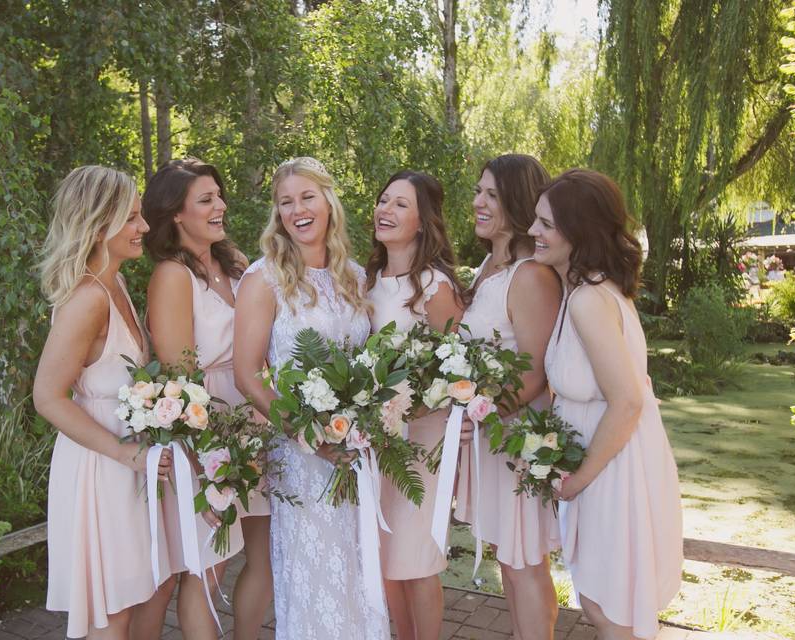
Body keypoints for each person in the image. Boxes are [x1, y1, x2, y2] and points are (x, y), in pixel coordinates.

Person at [233, 157, 389, 639]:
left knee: (358, 570)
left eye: (307, 198)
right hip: (300, 455)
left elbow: (371, 363)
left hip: (358, 451)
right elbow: (246, 374)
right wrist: (305, 431)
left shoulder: (356, 277)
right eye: (286, 202)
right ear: (277, 214)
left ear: (328, 201)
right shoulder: (264, 279)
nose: (297, 210)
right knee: (312, 575)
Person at [531, 169, 683, 640]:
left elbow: (628, 401)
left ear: (580, 232)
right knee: (601, 603)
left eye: (546, 224)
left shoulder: (589, 300)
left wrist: (579, 479)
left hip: (613, 467)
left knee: (612, 610)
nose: (534, 232)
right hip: (604, 460)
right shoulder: (587, 290)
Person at [34, 165, 176, 639]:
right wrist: (122, 452)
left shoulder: (116, 286)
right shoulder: (87, 300)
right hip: (99, 466)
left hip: (126, 462)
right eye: (132, 218)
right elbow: (47, 397)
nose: (145, 228)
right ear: (99, 225)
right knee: (110, 615)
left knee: (134, 601)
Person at [143, 158, 271, 640]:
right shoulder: (173, 276)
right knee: (209, 563)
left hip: (260, 415)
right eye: (206, 199)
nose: (220, 206)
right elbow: (181, 377)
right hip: (213, 426)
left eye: (219, 196)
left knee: (265, 552)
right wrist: (209, 461)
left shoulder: (234, 264)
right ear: (176, 213)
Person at [452, 154, 563, 640]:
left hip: (518, 439)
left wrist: (484, 413)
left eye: (492, 195)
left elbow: (537, 373)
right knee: (508, 556)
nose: (478, 202)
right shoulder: (487, 268)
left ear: (517, 203)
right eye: (478, 191)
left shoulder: (531, 275)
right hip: (492, 437)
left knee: (524, 561)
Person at [364, 170, 464, 640]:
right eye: (384, 201)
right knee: (385, 559)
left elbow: (459, 366)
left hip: (421, 444)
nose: (386, 210)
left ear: (423, 222)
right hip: (372, 441)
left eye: (401, 205)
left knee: (417, 558)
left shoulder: (433, 286)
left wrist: (413, 403)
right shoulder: (364, 282)